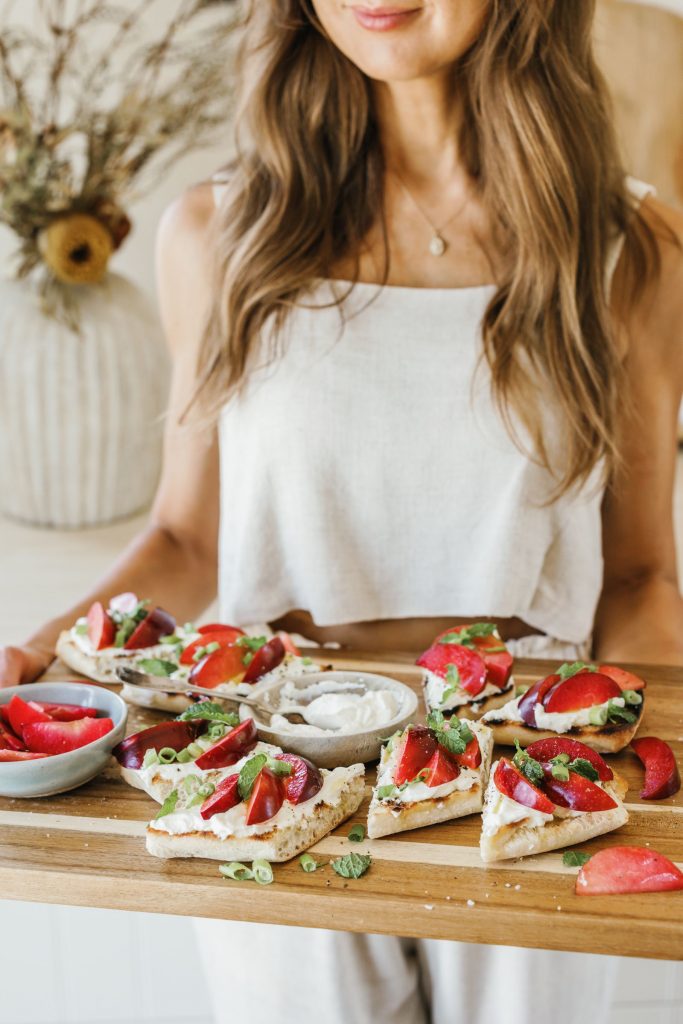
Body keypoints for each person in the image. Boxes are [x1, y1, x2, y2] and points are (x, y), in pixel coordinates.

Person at [2, 1, 682, 1022]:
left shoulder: (627, 244)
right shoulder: (218, 232)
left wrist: (650, 739)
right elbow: (186, 539)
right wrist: (42, 654)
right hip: (272, 762)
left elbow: (635, 576)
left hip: (527, 774)